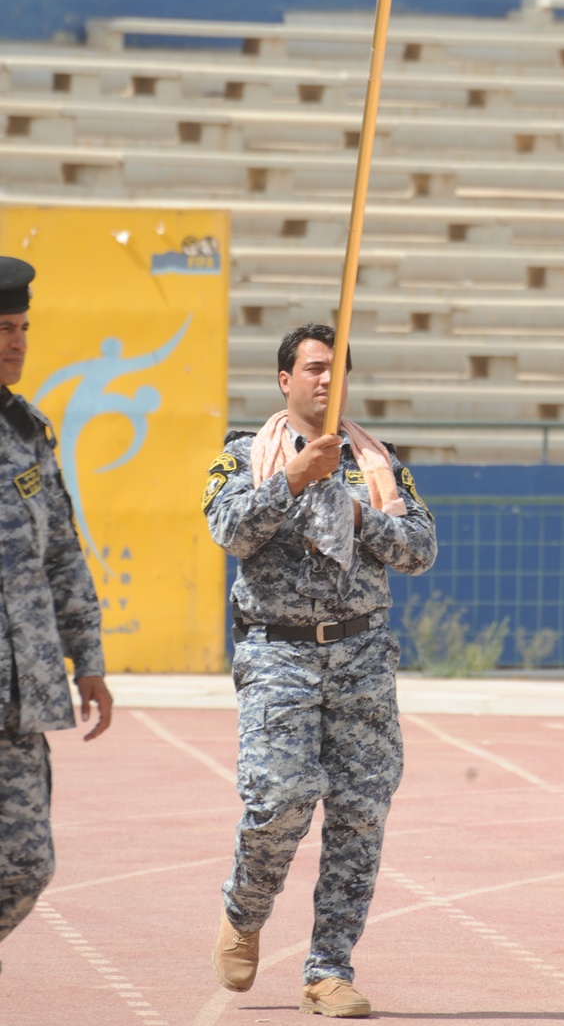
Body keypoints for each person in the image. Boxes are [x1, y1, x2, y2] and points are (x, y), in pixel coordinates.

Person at [204, 322, 436, 1018]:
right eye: (312, 368)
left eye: (337, 369)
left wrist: (365, 513)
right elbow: (229, 529)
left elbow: (420, 548)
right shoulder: (244, 455)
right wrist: (293, 481)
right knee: (279, 798)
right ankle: (244, 910)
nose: (325, 380)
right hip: (279, 653)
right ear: (284, 379)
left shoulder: (378, 462)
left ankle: (329, 968)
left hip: (362, 655)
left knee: (361, 814)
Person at [0, 256, 112, 970]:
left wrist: (89, 660)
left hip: (19, 699)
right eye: (3, 328)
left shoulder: (28, 432)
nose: (16, 341)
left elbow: (63, 555)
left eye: (22, 328)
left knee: (27, 861)